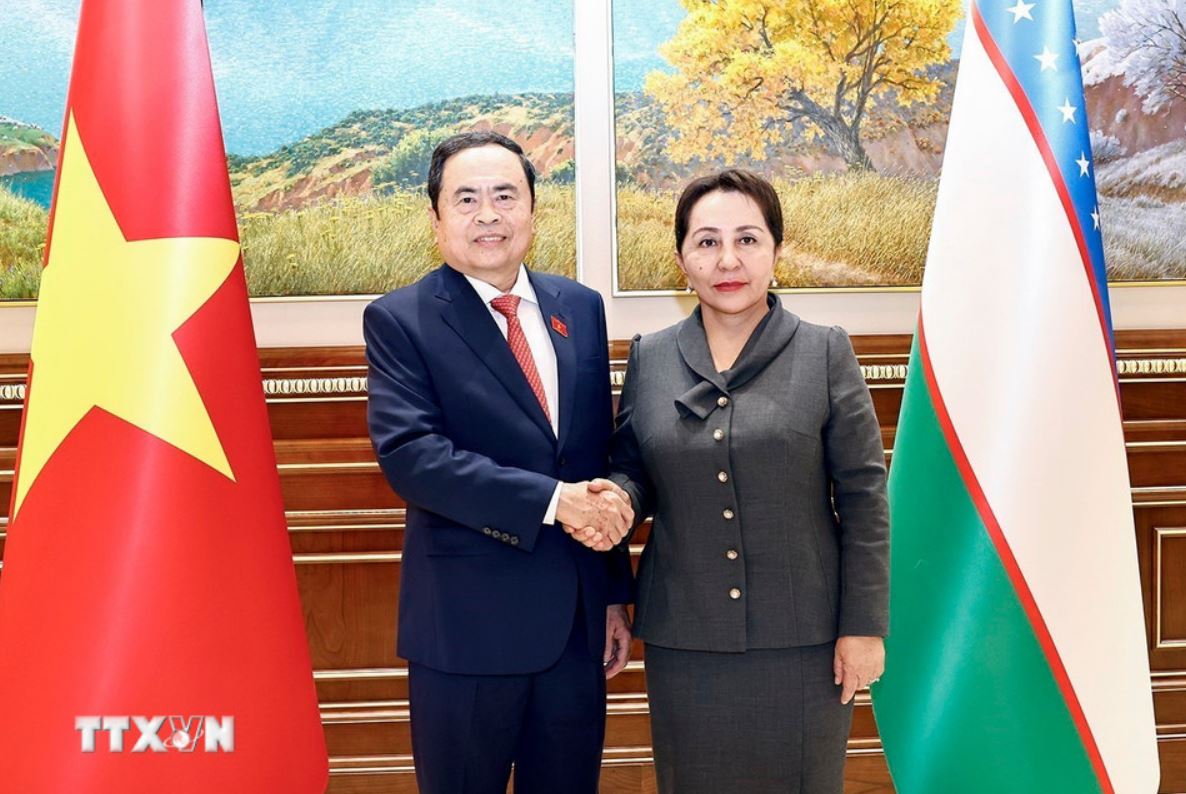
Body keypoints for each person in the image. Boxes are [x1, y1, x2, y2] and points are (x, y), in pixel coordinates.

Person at [364, 131, 635, 794]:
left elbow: (595, 452)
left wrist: (612, 595)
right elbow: (413, 458)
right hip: (466, 633)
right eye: (467, 199)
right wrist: (552, 502)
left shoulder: (581, 308)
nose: (489, 214)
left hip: (575, 629)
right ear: (437, 221)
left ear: (533, 211)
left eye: (505, 195)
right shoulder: (401, 320)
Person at [608, 169, 890, 793]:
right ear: (681, 257)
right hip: (686, 638)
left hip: (806, 640)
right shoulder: (650, 355)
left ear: (776, 251)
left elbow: (866, 499)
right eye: (706, 241)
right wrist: (617, 498)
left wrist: (863, 627)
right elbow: (634, 471)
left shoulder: (823, 351)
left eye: (748, 239)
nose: (727, 259)